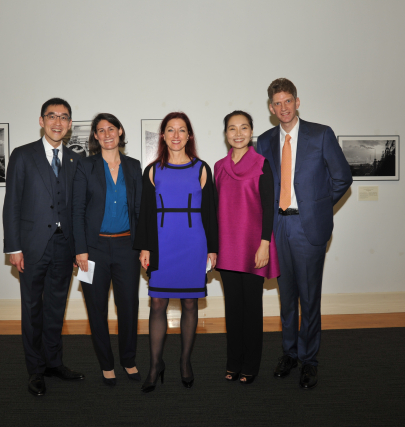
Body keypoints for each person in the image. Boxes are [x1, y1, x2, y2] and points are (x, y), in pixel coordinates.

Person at [256, 78, 352, 389]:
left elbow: (342, 178)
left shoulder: (321, 134)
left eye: (288, 101)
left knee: (309, 299)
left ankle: (309, 360)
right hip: (278, 226)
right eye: (277, 103)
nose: (283, 107)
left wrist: (318, 208)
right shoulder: (265, 141)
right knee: (287, 298)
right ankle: (289, 353)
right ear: (271, 108)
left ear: (297, 102)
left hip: (308, 226)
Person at [3, 97, 85, 397]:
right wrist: (13, 247)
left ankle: (54, 363)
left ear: (70, 124)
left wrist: (78, 248)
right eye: (51, 116)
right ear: (41, 121)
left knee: (55, 309)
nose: (57, 122)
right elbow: (11, 203)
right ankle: (35, 370)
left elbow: (78, 208)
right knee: (32, 309)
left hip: (64, 248)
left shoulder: (76, 159)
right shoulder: (23, 156)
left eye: (64, 117)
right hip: (32, 247)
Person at [134, 112, 218, 393]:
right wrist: (145, 246)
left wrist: (213, 249)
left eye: (182, 130)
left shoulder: (202, 168)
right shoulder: (153, 170)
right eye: (170, 130)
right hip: (161, 242)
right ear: (163, 135)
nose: (176, 135)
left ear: (189, 136)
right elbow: (145, 213)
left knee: (190, 304)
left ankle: (184, 362)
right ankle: (155, 364)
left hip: (194, 242)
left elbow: (211, 213)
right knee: (157, 303)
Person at [72, 113, 143, 386]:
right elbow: (76, 211)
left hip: (127, 247)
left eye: (110, 128)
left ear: (120, 131)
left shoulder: (134, 166)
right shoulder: (84, 167)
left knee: (128, 307)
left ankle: (128, 359)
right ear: (96, 137)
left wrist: (144, 246)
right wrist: (80, 250)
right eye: (100, 131)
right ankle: (106, 364)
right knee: (96, 308)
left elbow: (140, 211)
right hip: (94, 249)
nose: (106, 134)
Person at [214, 110, 280, 385]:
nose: (238, 133)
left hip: (255, 247)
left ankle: (250, 365)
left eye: (243, 128)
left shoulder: (262, 163)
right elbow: (213, 208)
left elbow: (269, 208)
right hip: (227, 246)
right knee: (233, 309)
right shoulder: (218, 166)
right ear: (226, 133)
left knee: (252, 309)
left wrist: (265, 244)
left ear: (252, 132)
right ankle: (233, 362)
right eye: (232, 128)